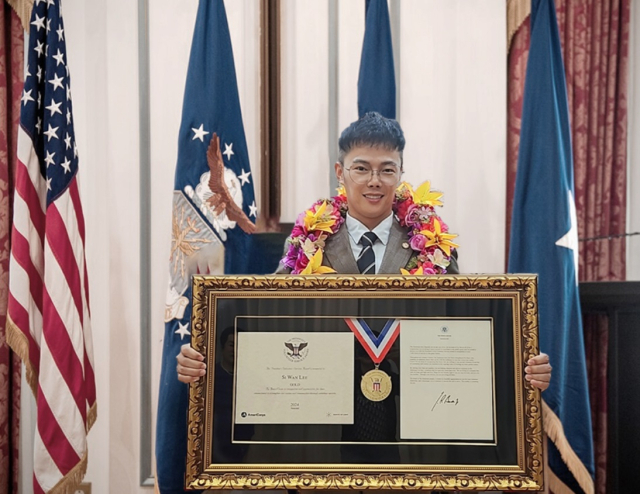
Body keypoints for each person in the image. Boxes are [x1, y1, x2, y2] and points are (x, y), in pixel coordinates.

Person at [178, 112, 551, 391]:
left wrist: (519, 365)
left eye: (387, 170)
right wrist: (211, 358)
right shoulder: (308, 242)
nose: (374, 181)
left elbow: (461, 328)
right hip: (325, 417)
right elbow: (272, 323)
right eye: (362, 168)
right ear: (340, 173)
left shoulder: (432, 243)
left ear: (400, 174)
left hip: (413, 419)